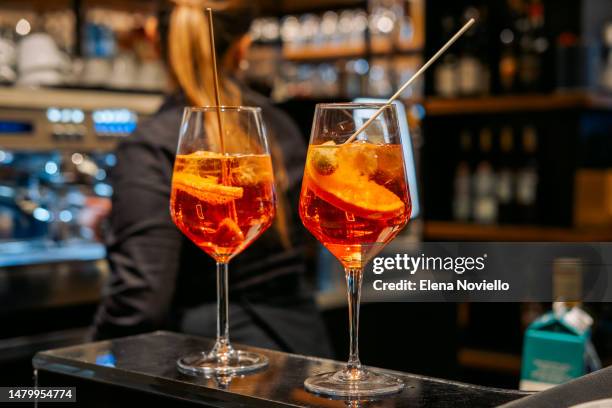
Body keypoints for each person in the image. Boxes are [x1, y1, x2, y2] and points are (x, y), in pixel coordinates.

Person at [90, 0, 332, 358]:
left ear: (155, 42)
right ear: (243, 48)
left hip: (200, 356)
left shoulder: (152, 142)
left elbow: (140, 300)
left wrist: (83, 364)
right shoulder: (280, 125)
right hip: (298, 346)